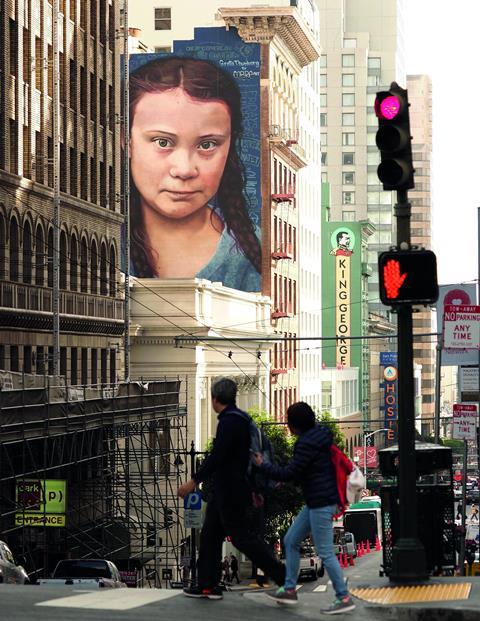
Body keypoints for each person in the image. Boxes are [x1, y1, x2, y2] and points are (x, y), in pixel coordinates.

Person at [128, 56, 261, 292]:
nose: (184, 170)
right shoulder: (94, 238)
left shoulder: (253, 252)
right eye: (162, 142)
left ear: (229, 145)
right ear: (125, 140)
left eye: (207, 145)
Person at [177, 378, 285, 600]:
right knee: (210, 536)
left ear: (215, 399)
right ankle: (208, 585)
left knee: (242, 538)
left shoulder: (229, 422)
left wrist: (193, 481)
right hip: (228, 490)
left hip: (230, 491)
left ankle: (282, 575)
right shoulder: (242, 419)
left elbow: (218, 457)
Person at [254, 402, 355, 615]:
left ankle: (343, 596)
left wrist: (263, 464)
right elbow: (305, 471)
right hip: (317, 501)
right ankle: (289, 589)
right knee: (290, 540)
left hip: (320, 503)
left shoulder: (305, 444)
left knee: (326, 553)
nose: (288, 427)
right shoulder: (320, 436)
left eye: (289, 423)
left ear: (296, 425)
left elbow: (290, 472)